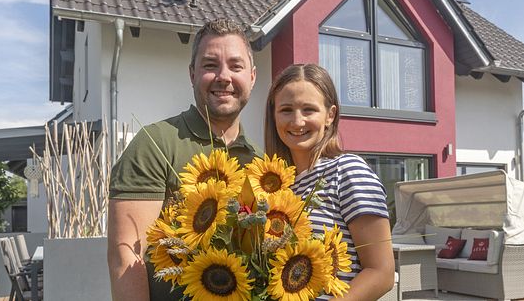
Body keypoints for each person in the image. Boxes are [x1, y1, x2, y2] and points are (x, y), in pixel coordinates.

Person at [107, 19, 261, 301]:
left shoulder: (260, 163)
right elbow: (126, 255)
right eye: (210, 65)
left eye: (235, 66)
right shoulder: (155, 144)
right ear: (192, 74)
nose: (223, 76)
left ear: (252, 76)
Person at [264, 63, 395, 300]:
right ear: (274, 115)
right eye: (286, 110)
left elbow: (381, 272)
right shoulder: (278, 188)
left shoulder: (347, 171)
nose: (297, 121)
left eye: (308, 110)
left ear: (330, 115)